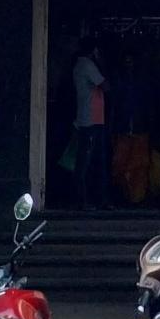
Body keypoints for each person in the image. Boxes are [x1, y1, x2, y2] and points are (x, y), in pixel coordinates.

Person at [72, 37, 108, 207]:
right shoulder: (87, 65)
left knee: (86, 161)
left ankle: (86, 199)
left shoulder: (79, 65)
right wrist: (100, 61)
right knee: (87, 162)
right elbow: (106, 86)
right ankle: (83, 201)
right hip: (90, 120)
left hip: (88, 118)